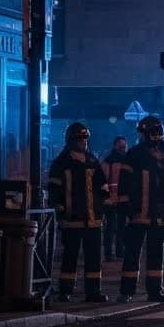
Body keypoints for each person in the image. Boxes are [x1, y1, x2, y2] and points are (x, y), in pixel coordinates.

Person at [48, 123, 110, 302]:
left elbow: (103, 186)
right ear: (71, 140)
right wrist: (60, 211)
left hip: (93, 219)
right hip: (72, 219)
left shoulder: (92, 160)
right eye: (80, 139)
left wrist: (103, 207)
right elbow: (54, 190)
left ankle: (93, 292)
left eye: (85, 138)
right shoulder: (61, 163)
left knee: (93, 258)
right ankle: (65, 291)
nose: (83, 142)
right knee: (70, 257)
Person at [118, 115, 164, 304]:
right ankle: (128, 290)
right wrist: (126, 208)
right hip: (139, 213)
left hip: (156, 214)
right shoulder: (135, 155)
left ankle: (153, 291)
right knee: (134, 253)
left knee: (154, 254)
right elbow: (124, 184)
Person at [101, 135, 130, 262]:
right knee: (111, 227)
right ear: (115, 146)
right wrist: (106, 197)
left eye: (125, 145)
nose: (124, 148)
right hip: (112, 200)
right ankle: (110, 253)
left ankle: (118, 252)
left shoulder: (126, 161)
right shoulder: (109, 161)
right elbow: (103, 181)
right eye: (121, 145)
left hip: (122, 200)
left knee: (120, 227)